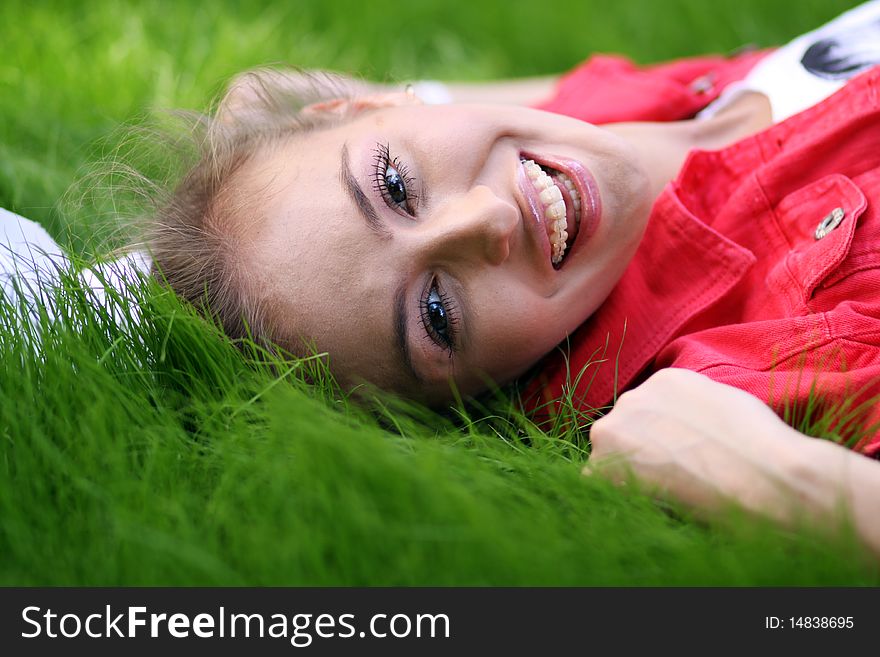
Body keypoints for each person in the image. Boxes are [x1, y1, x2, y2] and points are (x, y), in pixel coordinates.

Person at [3, 2, 880, 557]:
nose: (488, 222)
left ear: (365, 106)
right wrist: (790, 484)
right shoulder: (788, 341)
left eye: (393, 185)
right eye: (434, 311)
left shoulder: (614, 118)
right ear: (478, 384)